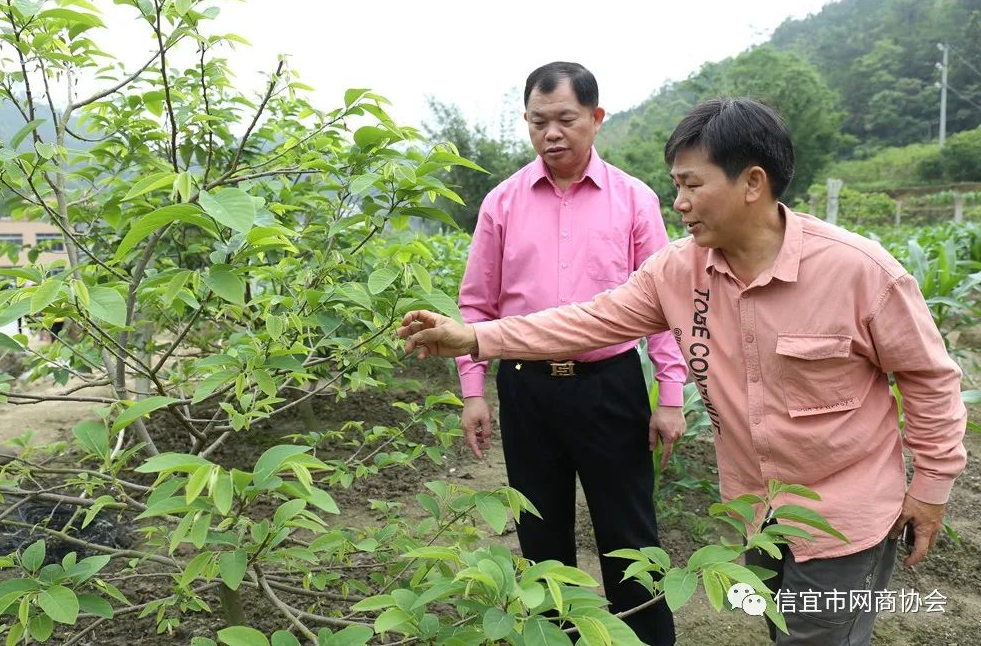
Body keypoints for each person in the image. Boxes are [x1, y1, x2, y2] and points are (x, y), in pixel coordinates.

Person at [400, 98, 968, 645]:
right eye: (677, 185)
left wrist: (932, 487)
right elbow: (589, 321)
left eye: (693, 185)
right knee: (782, 623)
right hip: (758, 509)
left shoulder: (859, 272)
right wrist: (475, 337)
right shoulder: (676, 272)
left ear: (752, 183)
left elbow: (929, 379)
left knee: (819, 636)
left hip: (849, 515)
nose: (679, 203)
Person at [454, 61, 687, 645]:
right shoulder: (502, 203)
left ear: (596, 118)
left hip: (609, 385)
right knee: (540, 532)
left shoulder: (634, 201)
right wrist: (474, 391)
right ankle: (554, 638)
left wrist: (672, 395)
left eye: (565, 119)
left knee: (629, 531)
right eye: (538, 122)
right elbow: (476, 305)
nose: (551, 133)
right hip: (527, 389)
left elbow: (664, 304)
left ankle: (648, 639)